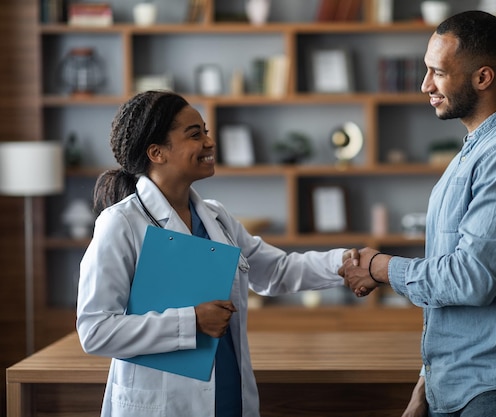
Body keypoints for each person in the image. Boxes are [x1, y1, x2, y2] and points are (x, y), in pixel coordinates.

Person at [341, 10, 496, 417]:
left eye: (438, 73)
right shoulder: (474, 153)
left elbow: (471, 278)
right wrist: (426, 384)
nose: (425, 85)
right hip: (464, 387)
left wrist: (379, 267)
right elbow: (453, 291)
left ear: (483, 77)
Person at [76, 90, 355, 417]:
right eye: (195, 134)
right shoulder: (121, 223)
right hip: (163, 407)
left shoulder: (216, 217)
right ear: (157, 152)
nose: (209, 142)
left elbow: (276, 270)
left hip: (227, 398)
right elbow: (95, 331)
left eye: (206, 131)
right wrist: (191, 321)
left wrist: (346, 263)